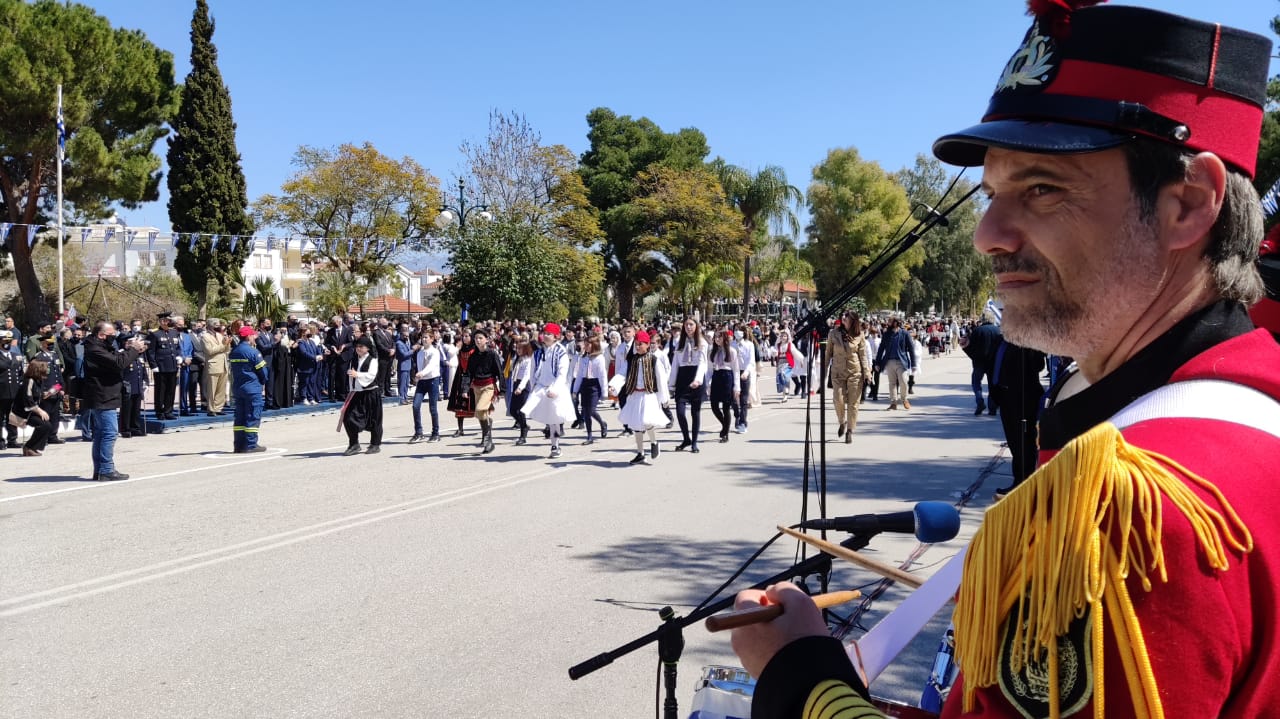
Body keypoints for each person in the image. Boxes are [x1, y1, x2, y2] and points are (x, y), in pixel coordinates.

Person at [734, 4, 1280, 718]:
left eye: (1042, 188)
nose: (987, 235)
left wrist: (800, 674)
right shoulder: (1239, 412)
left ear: (1188, 204)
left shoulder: (1127, 513)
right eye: (992, 193)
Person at [82, 320, 146, 480]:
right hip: (103, 395)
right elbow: (118, 363)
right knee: (110, 433)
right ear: (101, 335)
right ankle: (106, 469)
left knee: (101, 434)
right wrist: (133, 350)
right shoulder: (95, 349)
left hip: (105, 394)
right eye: (111, 335)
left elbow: (117, 357)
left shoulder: (100, 346)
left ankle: (100, 470)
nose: (114, 337)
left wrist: (132, 349)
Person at [991, 340, 1046, 497]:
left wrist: (1031, 347)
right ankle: (1020, 479)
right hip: (1006, 397)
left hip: (1023, 400)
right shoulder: (1003, 343)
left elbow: (1038, 365)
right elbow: (989, 361)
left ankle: (1023, 482)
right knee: (1015, 442)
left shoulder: (1026, 342)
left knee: (1023, 442)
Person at [615, 329, 670, 464]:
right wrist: (614, 385)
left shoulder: (653, 359)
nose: (638, 346)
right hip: (635, 395)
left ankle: (654, 442)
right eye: (637, 344)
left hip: (648, 395)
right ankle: (640, 453)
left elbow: (661, 379)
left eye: (641, 344)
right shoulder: (632, 360)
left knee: (647, 421)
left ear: (647, 344)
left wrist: (664, 399)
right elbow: (622, 373)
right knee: (636, 424)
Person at [521, 323, 574, 459]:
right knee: (527, 410)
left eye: (549, 334)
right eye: (544, 333)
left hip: (555, 388)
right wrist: (533, 387)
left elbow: (562, 373)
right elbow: (532, 371)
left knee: (555, 419)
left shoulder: (560, 351)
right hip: (540, 387)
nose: (545, 336)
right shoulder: (538, 353)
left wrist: (555, 389)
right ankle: (525, 430)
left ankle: (555, 445)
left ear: (556, 337)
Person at [828, 310, 871, 444]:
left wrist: (867, 372)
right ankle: (842, 421)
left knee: (853, 403)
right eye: (843, 317)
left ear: (853, 321)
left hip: (855, 372)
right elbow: (828, 353)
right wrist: (823, 372)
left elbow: (863, 356)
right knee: (838, 398)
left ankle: (850, 431)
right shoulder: (833, 334)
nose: (843, 319)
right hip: (838, 372)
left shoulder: (859, 335)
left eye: (846, 317)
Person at [670, 317, 708, 452]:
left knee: (695, 412)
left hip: (696, 376)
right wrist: (671, 384)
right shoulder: (679, 342)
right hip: (682, 377)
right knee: (680, 412)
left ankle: (694, 442)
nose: (689, 327)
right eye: (686, 325)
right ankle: (686, 438)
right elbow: (675, 364)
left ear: (696, 326)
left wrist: (698, 380)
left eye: (691, 324)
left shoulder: (702, 342)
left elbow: (703, 363)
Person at [229, 326, 269, 453]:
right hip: (252, 387)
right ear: (248, 337)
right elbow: (263, 371)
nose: (254, 338)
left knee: (239, 417)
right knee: (252, 415)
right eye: (253, 336)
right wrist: (263, 381)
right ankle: (251, 444)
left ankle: (239, 445)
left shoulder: (234, 351)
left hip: (238, 387)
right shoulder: (253, 352)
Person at [341, 336, 382, 455]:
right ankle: (354, 444)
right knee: (347, 417)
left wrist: (357, 374)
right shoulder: (353, 360)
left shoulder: (372, 360)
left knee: (374, 419)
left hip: (371, 392)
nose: (358, 349)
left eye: (361, 347)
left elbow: (371, 376)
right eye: (357, 346)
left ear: (367, 348)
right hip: (357, 393)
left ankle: (375, 444)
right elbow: (351, 375)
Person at [466, 329, 503, 454]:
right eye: (476, 338)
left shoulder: (492, 354)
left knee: (480, 409)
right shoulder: (473, 356)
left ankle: (487, 437)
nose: (478, 340)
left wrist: (502, 389)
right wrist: (464, 388)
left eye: (480, 338)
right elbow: (468, 373)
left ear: (486, 339)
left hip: (488, 386)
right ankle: (489, 441)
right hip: (477, 386)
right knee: (481, 414)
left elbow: (499, 371)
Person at [571, 335, 609, 444]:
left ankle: (602, 423)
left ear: (594, 345)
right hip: (585, 384)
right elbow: (579, 375)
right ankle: (589, 436)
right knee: (586, 412)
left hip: (594, 385)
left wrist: (604, 392)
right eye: (585, 344)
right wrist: (575, 390)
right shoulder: (583, 358)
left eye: (588, 345)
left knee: (591, 410)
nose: (585, 347)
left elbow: (602, 376)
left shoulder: (599, 358)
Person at [964, 312, 1003, 416]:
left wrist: (972, 355)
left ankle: (979, 400)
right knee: (993, 385)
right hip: (994, 363)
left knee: (976, 383)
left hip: (979, 362)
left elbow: (970, 347)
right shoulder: (998, 331)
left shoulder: (977, 331)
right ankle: (992, 407)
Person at [873, 317, 917, 410]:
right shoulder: (886, 334)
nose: (888, 323)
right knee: (892, 383)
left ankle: (904, 399)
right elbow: (881, 349)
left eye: (890, 321)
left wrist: (914, 364)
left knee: (903, 381)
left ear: (896, 323)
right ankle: (893, 403)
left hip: (901, 361)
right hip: (889, 361)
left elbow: (911, 349)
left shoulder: (904, 333)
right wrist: (877, 363)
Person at [707, 327, 741, 443]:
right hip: (716, 377)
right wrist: (708, 383)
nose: (717, 339)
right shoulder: (712, 351)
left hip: (727, 377)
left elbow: (736, 370)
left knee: (726, 407)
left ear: (725, 338)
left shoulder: (731, 351)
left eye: (719, 337)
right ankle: (725, 425)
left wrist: (737, 387)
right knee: (714, 406)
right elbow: (709, 369)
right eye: (715, 337)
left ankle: (725, 433)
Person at [15, 359, 54, 456]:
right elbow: (28, 399)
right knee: (44, 425)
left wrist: (46, 394)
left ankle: (33, 447)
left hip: (31, 411)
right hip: (23, 412)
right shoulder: (29, 381)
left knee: (47, 425)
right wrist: (40, 411)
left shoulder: (38, 381)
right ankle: (28, 447)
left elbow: (36, 395)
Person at [147, 311, 181, 420]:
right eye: (163, 320)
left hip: (172, 365)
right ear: (160, 321)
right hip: (160, 366)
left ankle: (168, 411)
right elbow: (150, 351)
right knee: (160, 390)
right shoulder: (154, 333)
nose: (165, 322)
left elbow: (177, 347)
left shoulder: (174, 332)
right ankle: (159, 411)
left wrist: (179, 356)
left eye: (167, 320)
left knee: (171, 390)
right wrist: (153, 365)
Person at [409, 330, 442, 443]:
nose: (424, 339)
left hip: (433, 380)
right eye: (422, 337)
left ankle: (435, 433)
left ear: (432, 339)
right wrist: (418, 377)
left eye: (426, 337)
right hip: (422, 382)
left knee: (432, 408)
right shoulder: (420, 353)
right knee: (415, 405)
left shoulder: (435, 352)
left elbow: (432, 366)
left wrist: (422, 373)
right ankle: (418, 432)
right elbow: (419, 366)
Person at [198, 319, 231, 416]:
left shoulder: (220, 335)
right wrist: (223, 345)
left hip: (223, 364)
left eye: (218, 324)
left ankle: (218, 408)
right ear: (210, 326)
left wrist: (228, 343)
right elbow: (210, 351)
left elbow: (226, 350)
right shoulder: (205, 337)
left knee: (221, 388)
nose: (218, 326)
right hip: (213, 364)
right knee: (212, 388)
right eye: (216, 325)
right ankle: (211, 408)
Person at [508, 337, 534, 446]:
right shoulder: (517, 359)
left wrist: (520, 387)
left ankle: (523, 435)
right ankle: (524, 425)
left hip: (524, 386)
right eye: (517, 348)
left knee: (521, 410)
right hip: (516, 384)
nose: (518, 350)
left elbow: (526, 375)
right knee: (513, 410)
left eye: (520, 349)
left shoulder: (528, 360)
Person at [0, 330, 23, 449]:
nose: (7, 343)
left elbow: (20, 374)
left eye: (9, 341)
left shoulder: (15, 356)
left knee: (12, 417)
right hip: (1, 392)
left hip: (14, 392)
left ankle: (12, 440)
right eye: (4, 341)